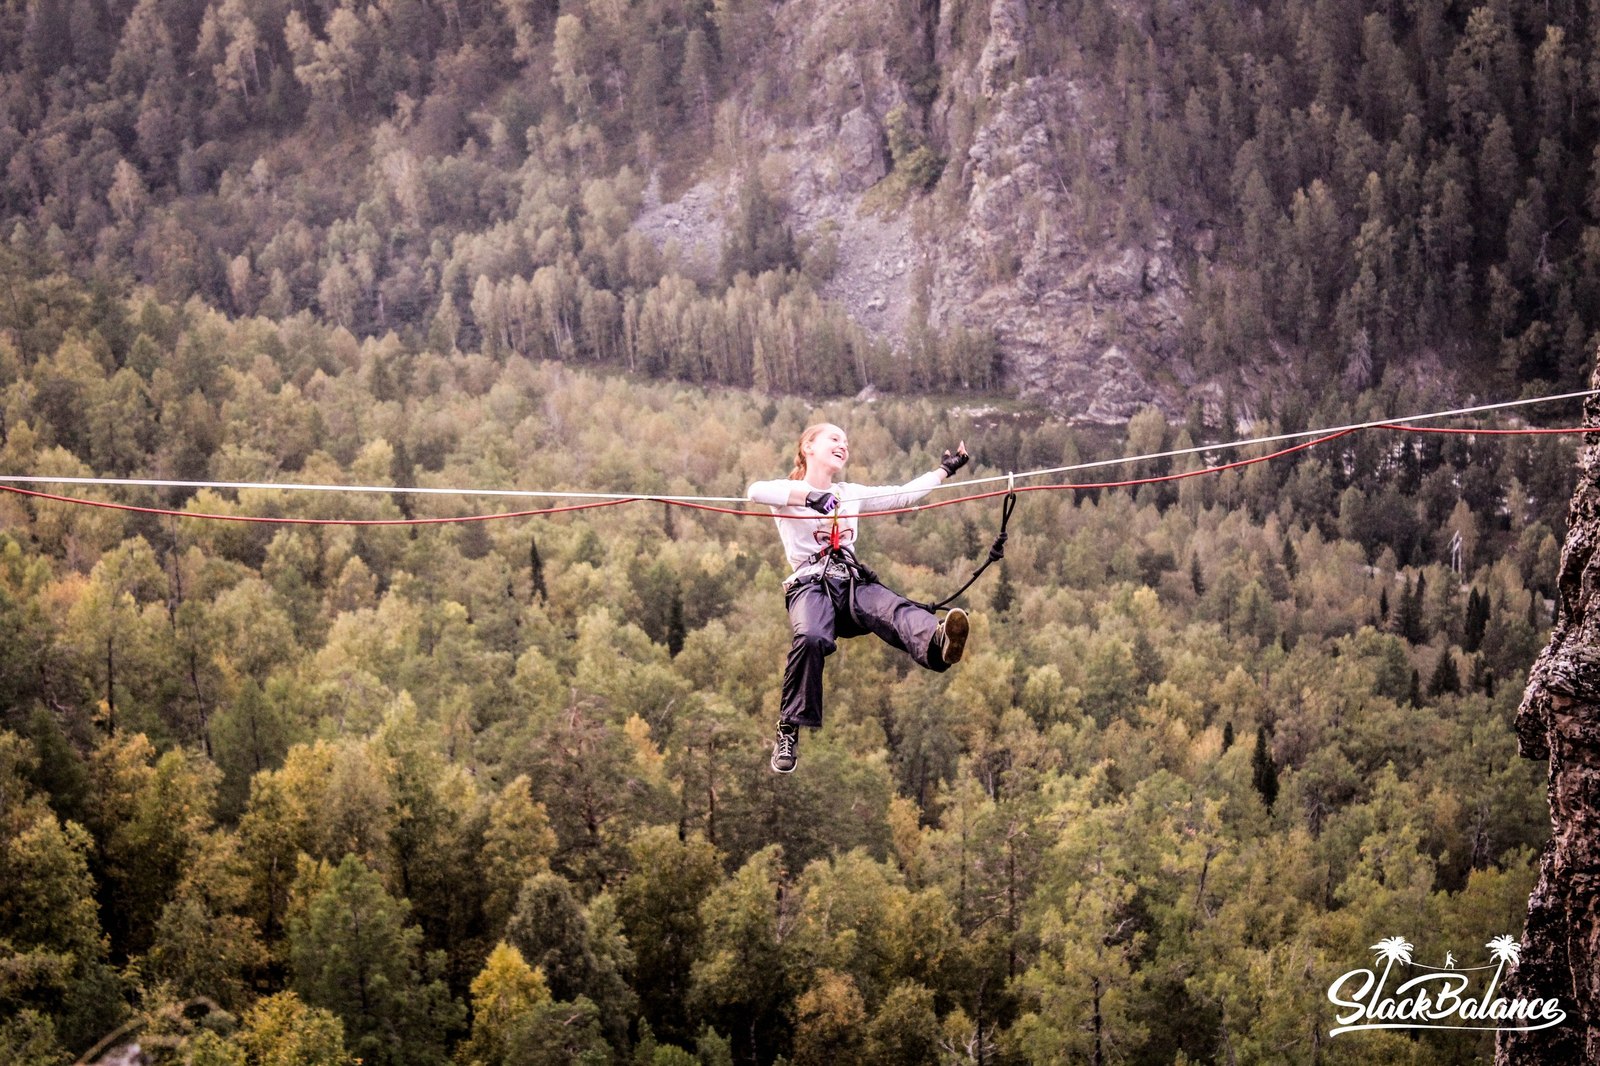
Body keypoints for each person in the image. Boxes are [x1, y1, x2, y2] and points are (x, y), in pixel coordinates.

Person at [747, 422, 972, 773]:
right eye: (834, 439)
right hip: (810, 586)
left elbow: (903, 494)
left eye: (846, 442)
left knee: (893, 608)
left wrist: (944, 470)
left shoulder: (850, 492)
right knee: (810, 637)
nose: (843, 445)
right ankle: (789, 727)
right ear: (808, 447)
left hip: (851, 584)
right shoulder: (787, 491)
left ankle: (937, 643)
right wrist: (809, 498)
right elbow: (755, 491)